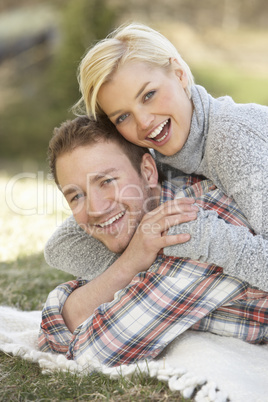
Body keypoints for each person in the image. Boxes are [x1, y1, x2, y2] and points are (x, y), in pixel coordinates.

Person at [45, 22, 268, 286]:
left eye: (149, 95)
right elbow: (60, 245)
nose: (143, 122)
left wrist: (209, 240)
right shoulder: (161, 155)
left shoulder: (230, 139)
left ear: (179, 74)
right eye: (122, 116)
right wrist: (140, 258)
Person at [39, 116, 268, 368]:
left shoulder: (190, 224)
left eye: (106, 181)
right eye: (76, 196)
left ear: (148, 171)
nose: (95, 209)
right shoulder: (145, 225)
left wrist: (81, 298)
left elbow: (95, 352)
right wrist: (130, 263)